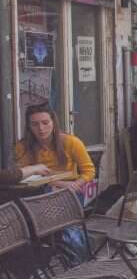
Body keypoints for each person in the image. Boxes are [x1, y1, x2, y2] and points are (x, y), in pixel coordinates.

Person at [15, 104, 97, 265]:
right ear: (29, 126)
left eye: (45, 122)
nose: (41, 128)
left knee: (66, 228)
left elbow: (89, 171)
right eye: (35, 124)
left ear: (53, 122)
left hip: (71, 191)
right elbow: (24, 175)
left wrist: (75, 184)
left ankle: (80, 264)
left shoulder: (71, 142)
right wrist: (57, 183)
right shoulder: (22, 146)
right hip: (38, 192)